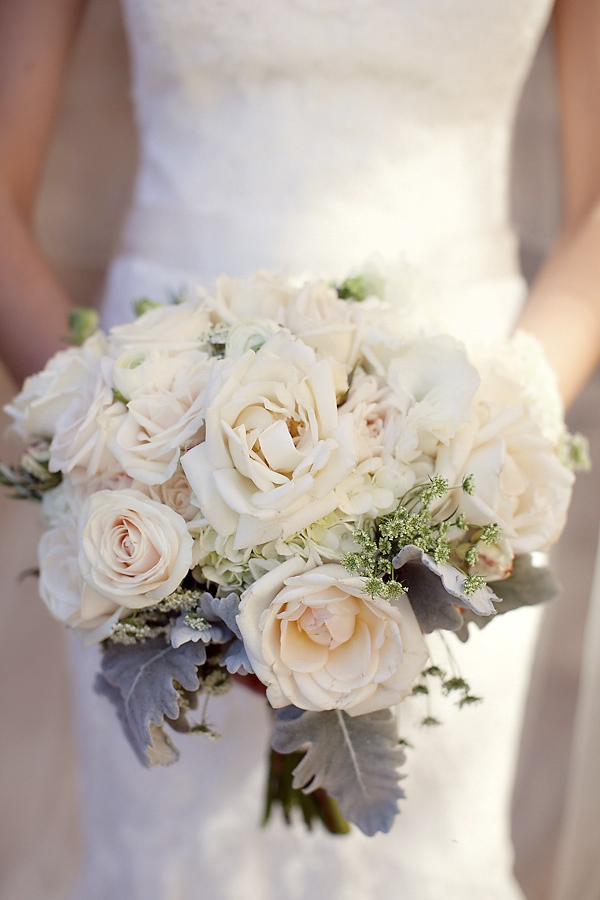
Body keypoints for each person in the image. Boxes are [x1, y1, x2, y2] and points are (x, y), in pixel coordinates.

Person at [1, 1, 600, 898]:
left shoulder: (475, 461)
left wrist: (484, 459)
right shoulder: (134, 457)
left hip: (463, 432)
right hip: (159, 434)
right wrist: (105, 438)